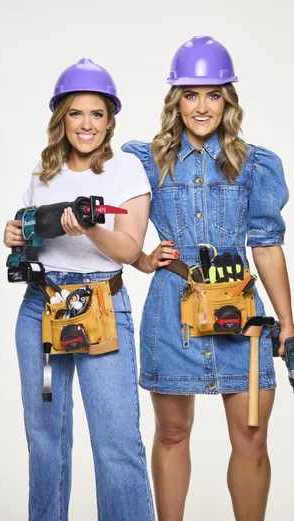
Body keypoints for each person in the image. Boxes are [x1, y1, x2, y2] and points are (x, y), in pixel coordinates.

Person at [124, 36, 292, 521]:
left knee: (253, 436)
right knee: (173, 433)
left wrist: (288, 322)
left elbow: (266, 245)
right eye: (191, 94)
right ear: (176, 100)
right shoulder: (146, 160)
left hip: (242, 313)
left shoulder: (254, 164)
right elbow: (121, 230)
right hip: (173, 311)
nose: (202, 107)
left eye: (213, 94)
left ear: (227, 100)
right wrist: (142, 258)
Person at [3, 59, 155, 521]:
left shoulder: (125, 169)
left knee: (116, 442)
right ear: (61, 118)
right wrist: (16, 235)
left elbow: (129, 249)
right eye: (75, 113)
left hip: (102, 305)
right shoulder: (43, 172)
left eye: (96, 114)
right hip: (42, 307)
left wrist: (90, 228)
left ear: (110, 121)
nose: (86, 124)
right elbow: (33, 236)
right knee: (45, 438)